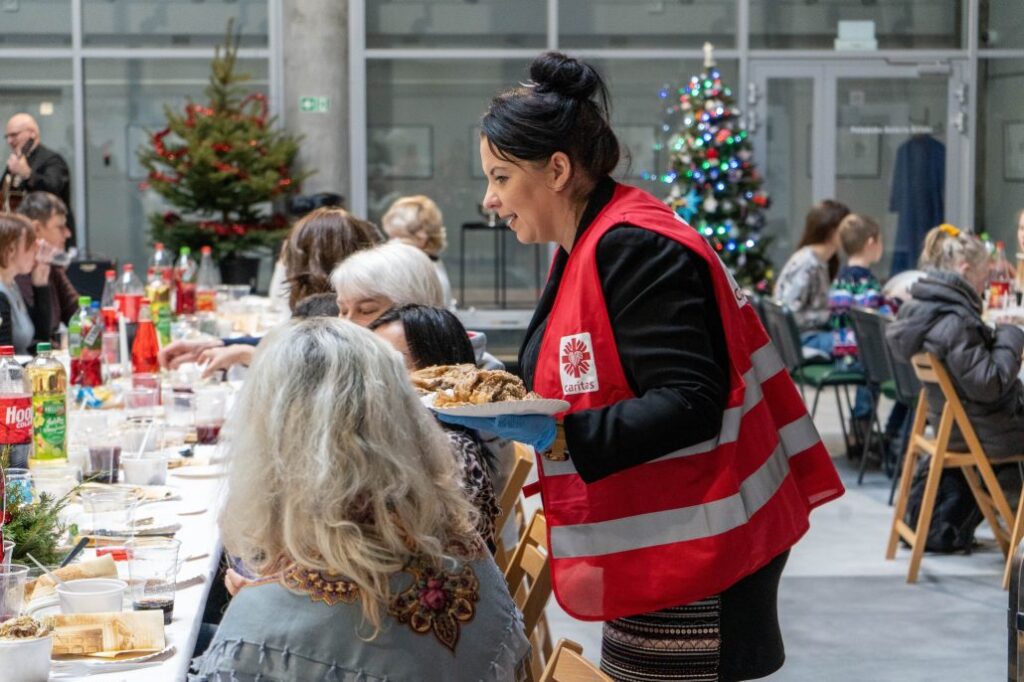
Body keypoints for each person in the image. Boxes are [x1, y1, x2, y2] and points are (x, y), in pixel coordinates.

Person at [446, 51, 843, 681]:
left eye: (499, 178)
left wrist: (564, 434)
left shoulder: (634, 245)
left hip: (705, 553)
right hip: (672, 544)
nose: (489, 199)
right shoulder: (592, 239)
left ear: (556, 169)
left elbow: (690, 397)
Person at [189, 318, 529, 681]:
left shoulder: (256, 628)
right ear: (405, 417)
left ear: (273, 443)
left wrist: (266, 599)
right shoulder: (464, 546)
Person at [886, 224, 1024, 552]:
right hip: (990, 431)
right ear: (964, 270)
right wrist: (1010, 335)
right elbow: (990, 384)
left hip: (963, 427)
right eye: (983, 277)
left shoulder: (925, 311)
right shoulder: (955, 321)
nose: (985, 285)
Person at [158, 207, 382, 372]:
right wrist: (218, 344)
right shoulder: (333, 303)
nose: (284, 263)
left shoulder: (346, 310)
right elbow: (287, 342)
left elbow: (318, 370)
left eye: (289, 254)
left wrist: (247, 355)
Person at [368, 304, 500, 546]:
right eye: (373, 360)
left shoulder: (451, 450)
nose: (376, 375)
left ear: (444, 370)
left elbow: (439, 557)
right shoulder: (394, 436)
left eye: (394, 363)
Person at [773, 199, 850, 357]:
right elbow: (790, 313)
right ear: (831, 230)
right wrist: (832, 313)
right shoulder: (808, 264)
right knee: (859, 344)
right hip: (804, 339)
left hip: (810, 335)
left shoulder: (819, 261)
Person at [16, 191, 79, 339]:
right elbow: (32, 337)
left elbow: (77, 314)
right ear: (36, 229)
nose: (68, 234)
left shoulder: (52, 266)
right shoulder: (13, 272)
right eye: (60, 227)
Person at [3, 114, 73, 239]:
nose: (9, 141)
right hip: (21, 237)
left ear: (32, 134)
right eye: (6, 136)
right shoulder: (16, 162)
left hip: (49, 238)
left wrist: (27, 174)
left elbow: (54, 191)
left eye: (14, 135)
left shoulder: (52, 160)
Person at [381, 196, 454, 308]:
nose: (391, 244)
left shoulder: (426, 276)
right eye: (390, 237)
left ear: (421, 238)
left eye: (399, 237)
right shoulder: (429, 266)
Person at [0, 213, 52, 353]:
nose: (36, 251)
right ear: (10, 250)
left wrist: (40, 285)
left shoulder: (11, 285)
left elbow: (40, 337)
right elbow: (4, 362)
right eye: (30, 244)